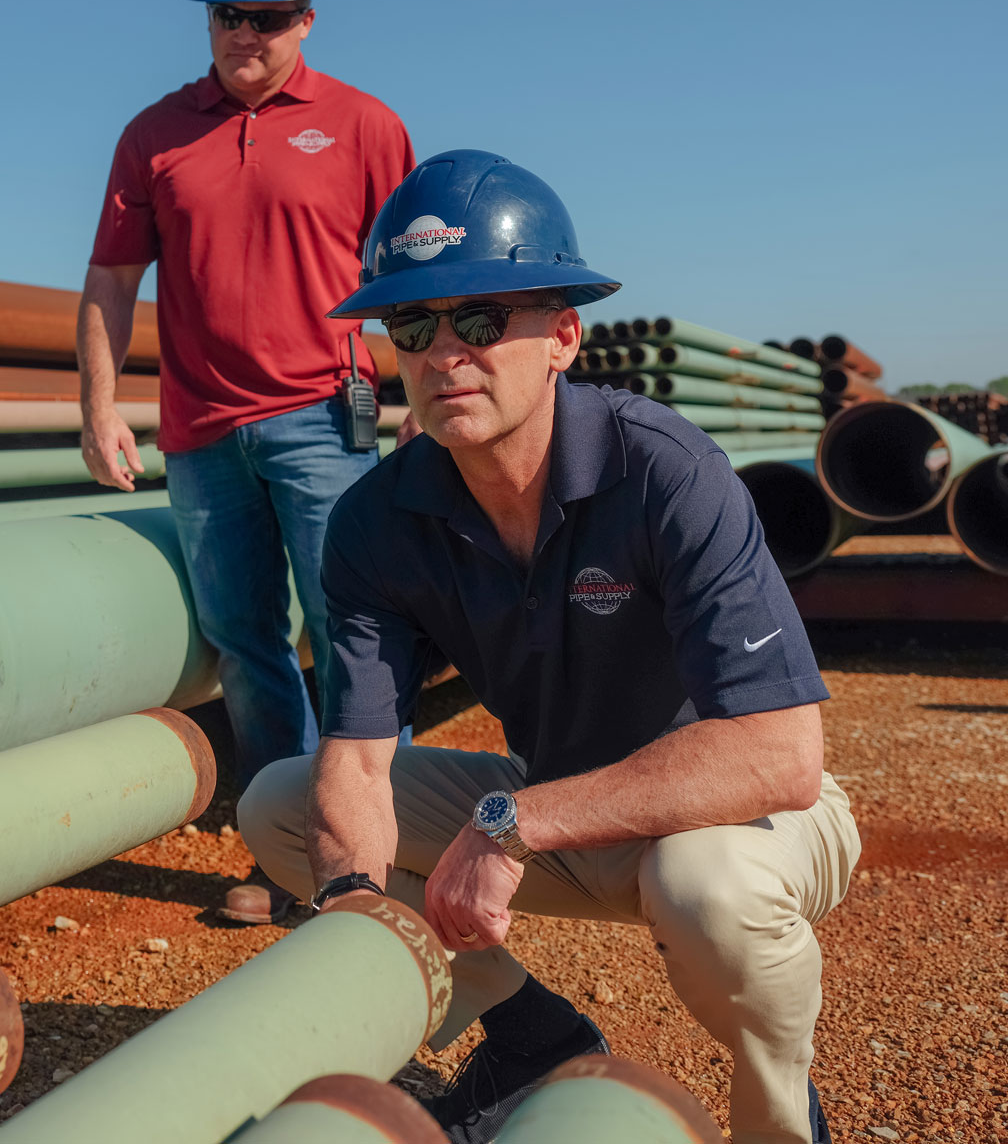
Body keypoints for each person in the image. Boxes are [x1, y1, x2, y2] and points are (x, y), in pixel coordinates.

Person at [238, 149, 858, 1144]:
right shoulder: (378, 523)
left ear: (564, 336)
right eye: (413, 326)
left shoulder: (663, 472)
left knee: (706, 889)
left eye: (481, 321)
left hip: (731, 820)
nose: (446, 354)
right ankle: (529, 1036)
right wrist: (357, 910)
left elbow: (779, 757)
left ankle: (788, 1121)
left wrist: (507, 823)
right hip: (561, 808)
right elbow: (357, 755)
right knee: (281, 802)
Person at [77, 0, 414, 923]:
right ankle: (285, 861)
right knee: (247, 647)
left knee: (353, 637)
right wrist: (100, 407)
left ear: (306, 18)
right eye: (229, 14)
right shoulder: (155, 136)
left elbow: (414, 289)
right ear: (207, 16)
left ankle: (377, 861)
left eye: (268, 15)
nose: (247, 35)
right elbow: (107, 281)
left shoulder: (364, 126)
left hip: (326, 422)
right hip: (203, 435)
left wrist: (431, 416)